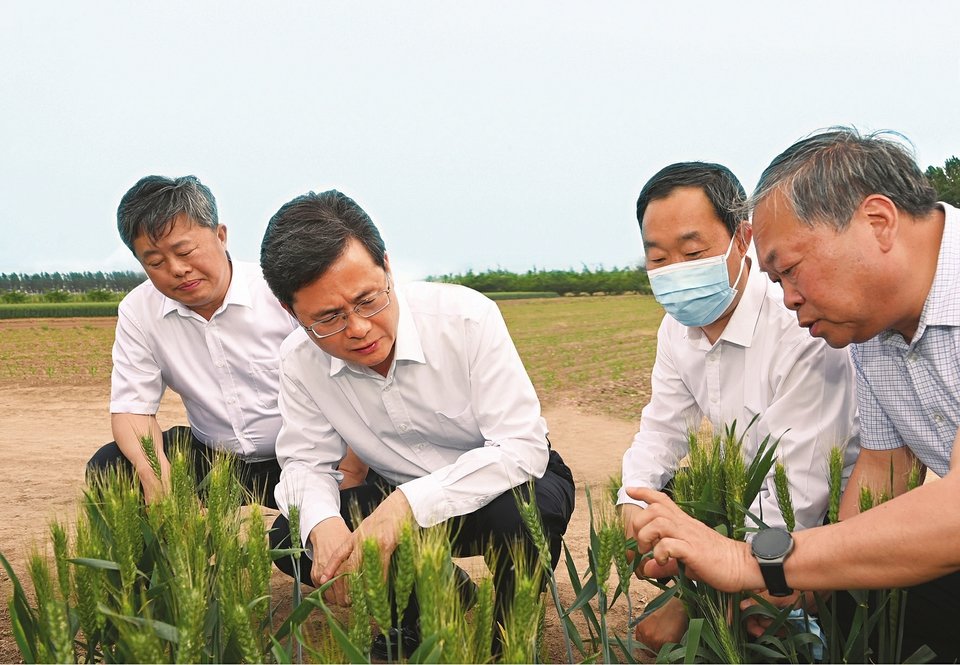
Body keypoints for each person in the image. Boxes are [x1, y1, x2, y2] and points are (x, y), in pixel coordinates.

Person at [627, 128, 960, 660]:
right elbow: (882, 475)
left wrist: (752, 565)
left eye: (791, 270)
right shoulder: (869, 332)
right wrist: (781, 594)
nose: (790, 299)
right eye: (775, 281)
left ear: (877, 222)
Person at [259, 189, 576, 654]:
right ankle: (424, 610)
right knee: (291, 536)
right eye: (328, 318)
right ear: (291, 311)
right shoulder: (298, 361)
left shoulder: (466, 318)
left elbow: (521, 448)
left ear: (387, 267)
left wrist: (407, 505)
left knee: (522, 517)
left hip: (504, 487)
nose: (358, 328)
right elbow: (305, 461)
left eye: (367, 300)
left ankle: (510, 633)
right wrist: (324, 525)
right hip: (397, 494)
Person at [620, 162, 860, 650]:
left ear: (743, 237)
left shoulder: (799, 322)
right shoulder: (676, 330)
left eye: (693, 251)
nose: (676, 272)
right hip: (753, 513)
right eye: (658, 259)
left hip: (837, 524)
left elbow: (800, 489)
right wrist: (635, 506)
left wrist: (697, 601)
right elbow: (662, 428)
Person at [86, 175, 298, 507]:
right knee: (111, 467)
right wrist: (153, 474)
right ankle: (174, 558)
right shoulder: (139, 311)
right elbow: (132, 408)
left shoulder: (280, 289)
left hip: (301, 455)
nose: (177, 269)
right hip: (213, 457)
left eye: (185, 251)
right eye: (155, 262)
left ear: (221, 235)